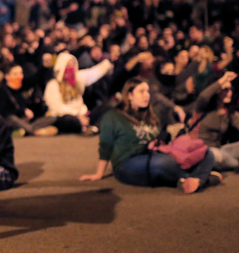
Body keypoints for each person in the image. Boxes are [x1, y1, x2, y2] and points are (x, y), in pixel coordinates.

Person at [79, 77, 221, 194]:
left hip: (155, 154)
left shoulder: (154, 114)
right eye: (141, 91)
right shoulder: (113, 116)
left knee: (205, 152)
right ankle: (199, 177)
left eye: (147, 91)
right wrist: (99, 173)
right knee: (165, 163)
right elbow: (105, 146)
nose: (146, 95)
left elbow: (164, 137)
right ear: (129, 95)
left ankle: (196, 180)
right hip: (127, 163)